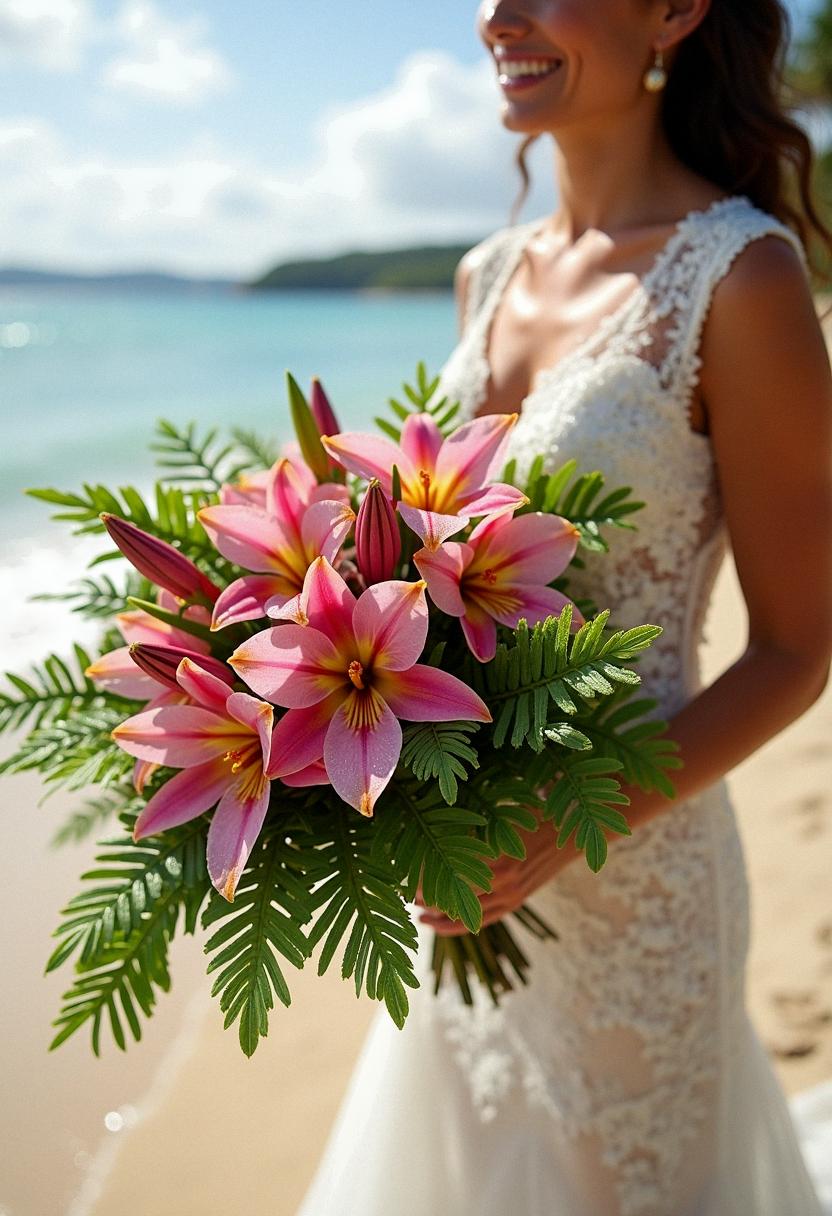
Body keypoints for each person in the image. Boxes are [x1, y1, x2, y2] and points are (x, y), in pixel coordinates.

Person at [297, 1, 832, 1212]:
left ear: (673, 12)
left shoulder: (738, 278)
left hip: (637, 875)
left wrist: (561, 823)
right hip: (467, 879)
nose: (497, 15)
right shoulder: (486, 273)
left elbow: (799, 648)